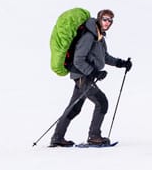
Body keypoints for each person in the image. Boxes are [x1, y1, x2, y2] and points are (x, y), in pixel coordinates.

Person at [51, 9, 133, 147]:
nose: (107, 22)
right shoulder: (89, 35)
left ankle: (57, 138)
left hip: (83, 76)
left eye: (110, 20)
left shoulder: (99, 35)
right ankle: (94, 136)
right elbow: (78, 60)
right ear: (99, 18)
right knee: (102, 102)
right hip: (83, 76)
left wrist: (121, 63)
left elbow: (104, 56)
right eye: (105, 19)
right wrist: (94, 72)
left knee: (74, 108)